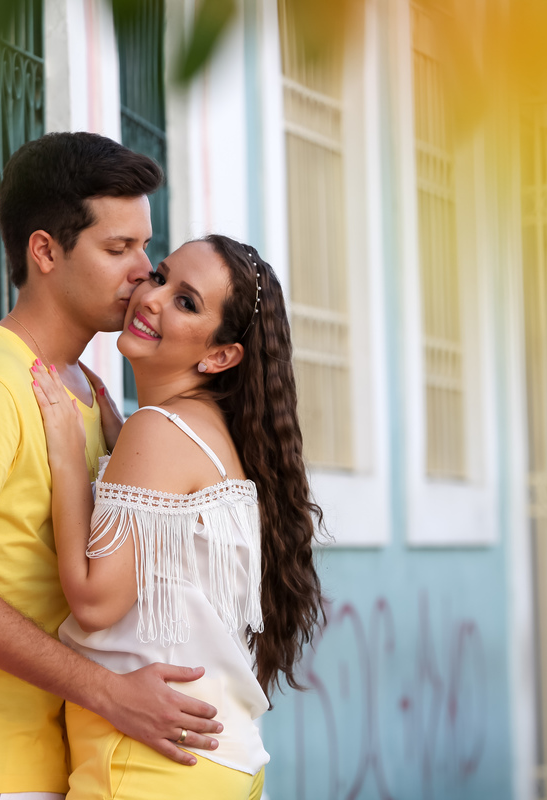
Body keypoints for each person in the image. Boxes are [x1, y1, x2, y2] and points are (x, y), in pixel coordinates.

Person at [0, 132, 224, 800]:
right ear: (45, 250)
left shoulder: (86, 391)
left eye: (145, 246)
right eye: (118, 249)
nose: (143, 270)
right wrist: (110, 693)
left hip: (64, 764)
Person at [29, 234, 325, 799]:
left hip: (150, 767)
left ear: (219, 356)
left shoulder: (159, 430)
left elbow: (95, 602)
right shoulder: (208, 433)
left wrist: (69, 456)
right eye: (160, 276)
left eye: (187, 302)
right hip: (222, 762)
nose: (153, 298)